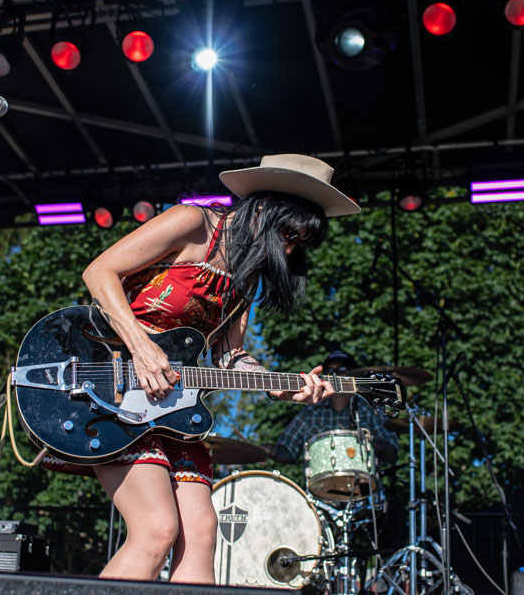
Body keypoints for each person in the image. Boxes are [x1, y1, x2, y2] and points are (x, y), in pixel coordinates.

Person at [40, 154, 362, 584]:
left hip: (173, 410)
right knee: (156, 530)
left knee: (202, 532)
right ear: (263, 208)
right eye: (288, 233)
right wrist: (139, 345)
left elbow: (230, 357)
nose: (289, 250)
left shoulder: (247, 277)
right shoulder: (193, 223)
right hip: (109, 388)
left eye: (301, 244)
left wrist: (278, 387)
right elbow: (100, 272)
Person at [262, 349, 400, 466]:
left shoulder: (369, 408)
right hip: (318, 492)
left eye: (341, 369)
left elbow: (392, 452)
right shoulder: (311, 411)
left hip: (364, 489)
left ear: (353, 375)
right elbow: (288, 450)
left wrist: (367, 445)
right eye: (330, 371)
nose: (334, 375)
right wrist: (265, 450)